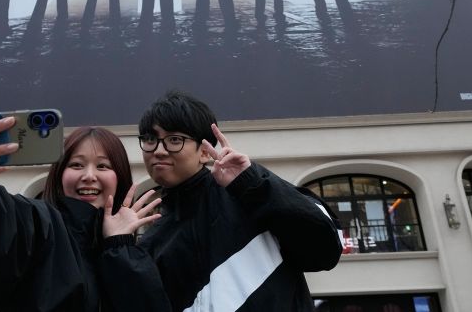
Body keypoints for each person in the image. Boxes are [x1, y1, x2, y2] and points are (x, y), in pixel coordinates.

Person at [0, 106, 169, 312]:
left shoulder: (134, 254)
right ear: (58, 175)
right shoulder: (40, 226)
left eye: (103, 166)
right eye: (76, 165)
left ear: (120, 178)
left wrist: (119, 246)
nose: (89, 176)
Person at [136, 91, 342, 312]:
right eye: (150, 139)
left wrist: (253, 182)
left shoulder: (250, 195)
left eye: (174, 140)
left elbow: (326, 249)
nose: (158, 150)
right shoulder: (151, 242)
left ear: (205, 151)